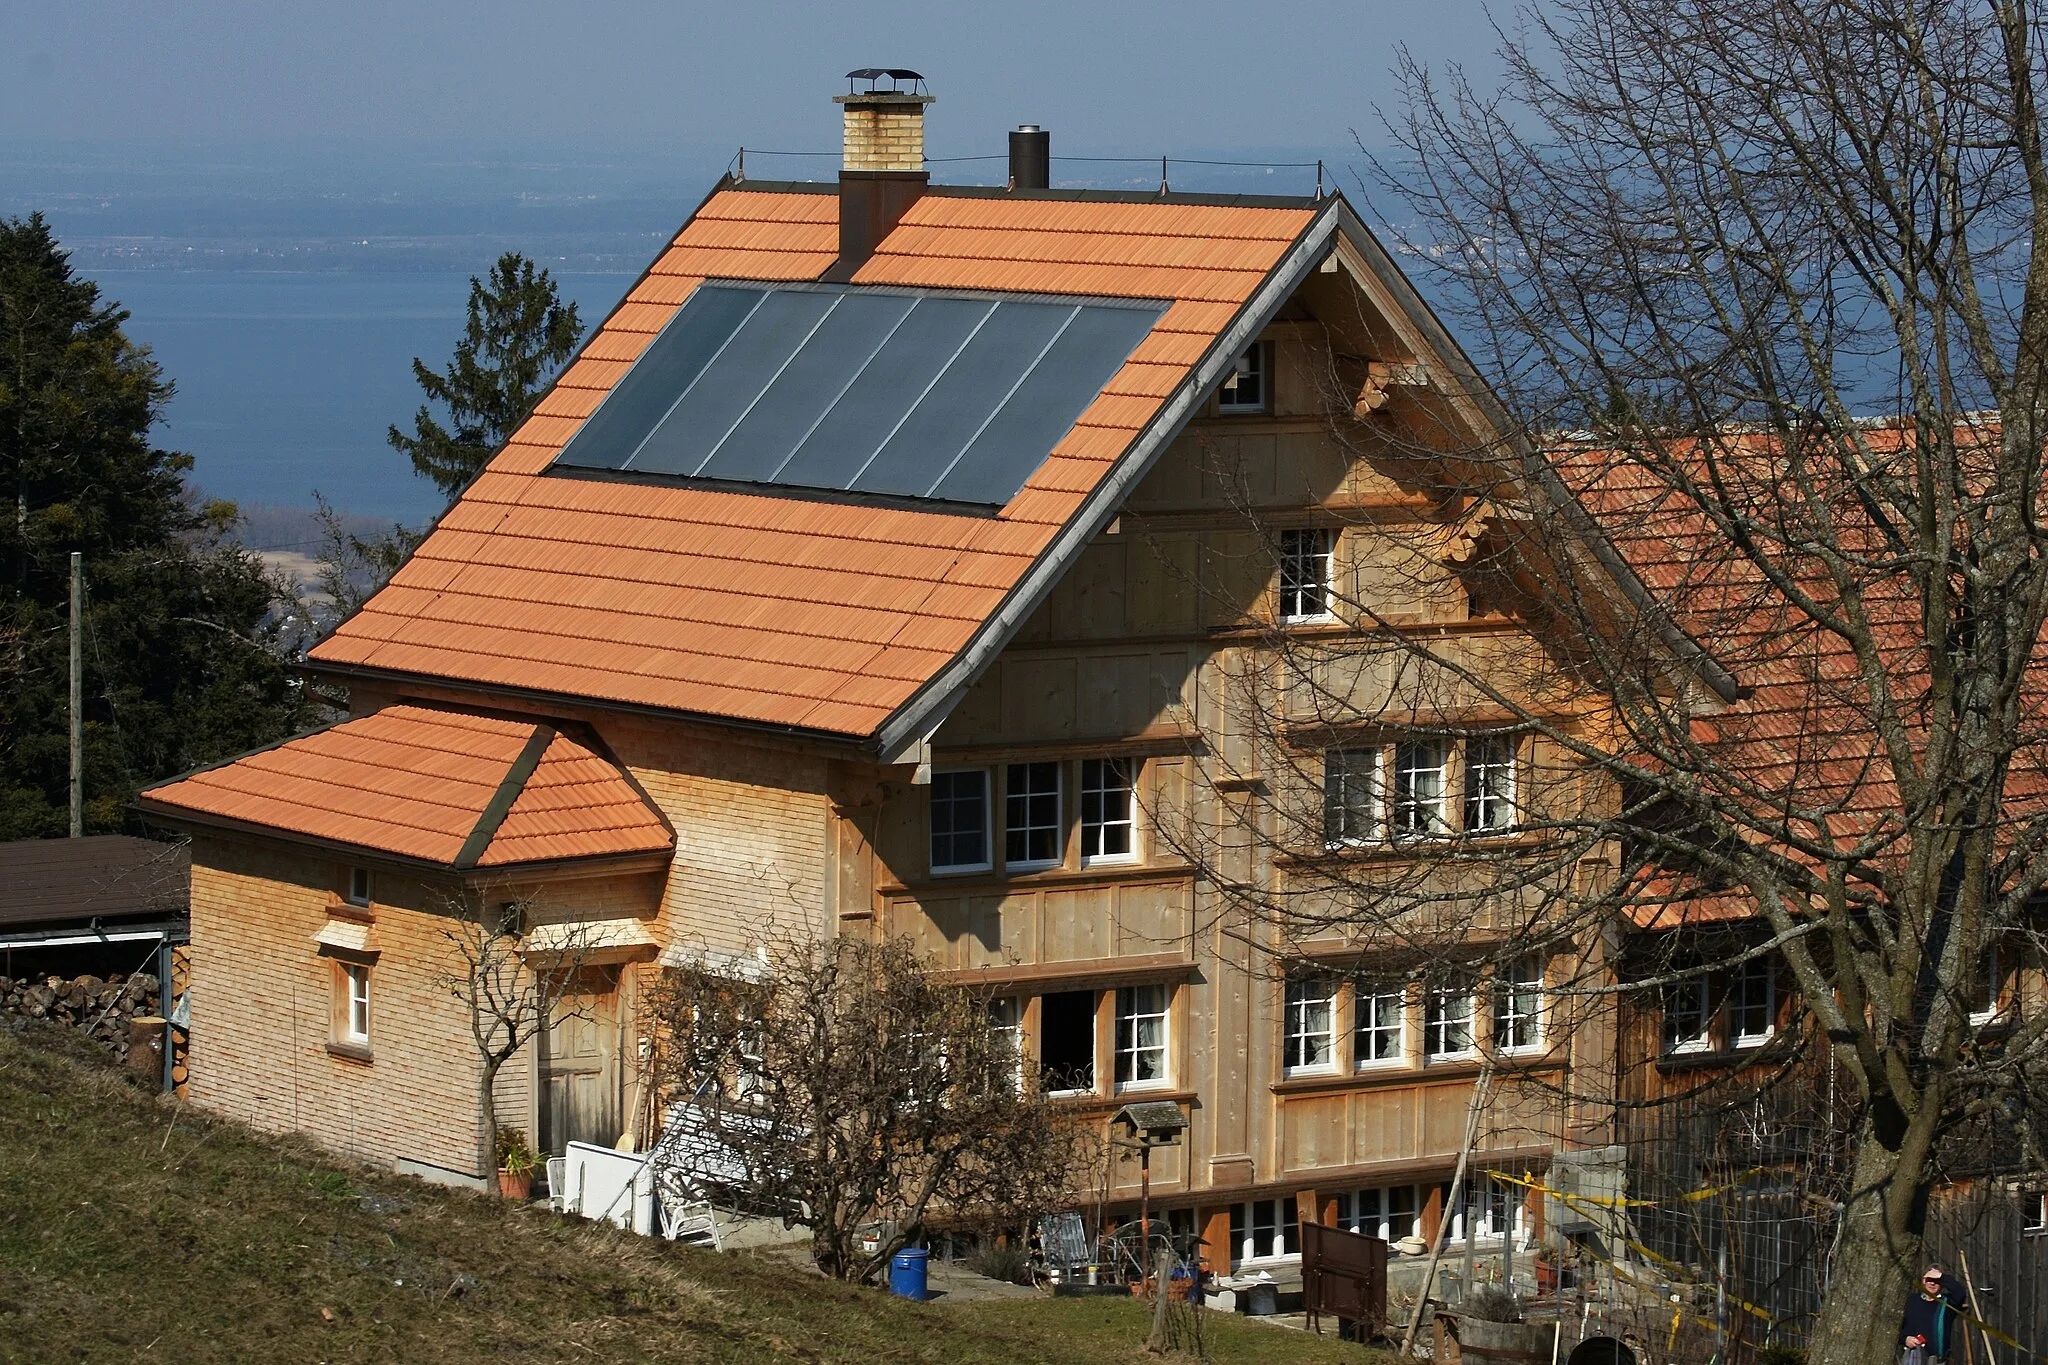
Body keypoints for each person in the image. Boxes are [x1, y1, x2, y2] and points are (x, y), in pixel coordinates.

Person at [1900, 1265, 1969, 1364]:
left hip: (1938, 1362)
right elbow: (1896, 1326)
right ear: (1924, 1281)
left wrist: (1942, 1277)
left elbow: (1960, 1293)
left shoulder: (1947, 1303)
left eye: (1936, 1280)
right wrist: (1905, 1339)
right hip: (1914, 1359)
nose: (1932, 1283)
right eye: (1929, 1279)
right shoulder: (1911, 1301)